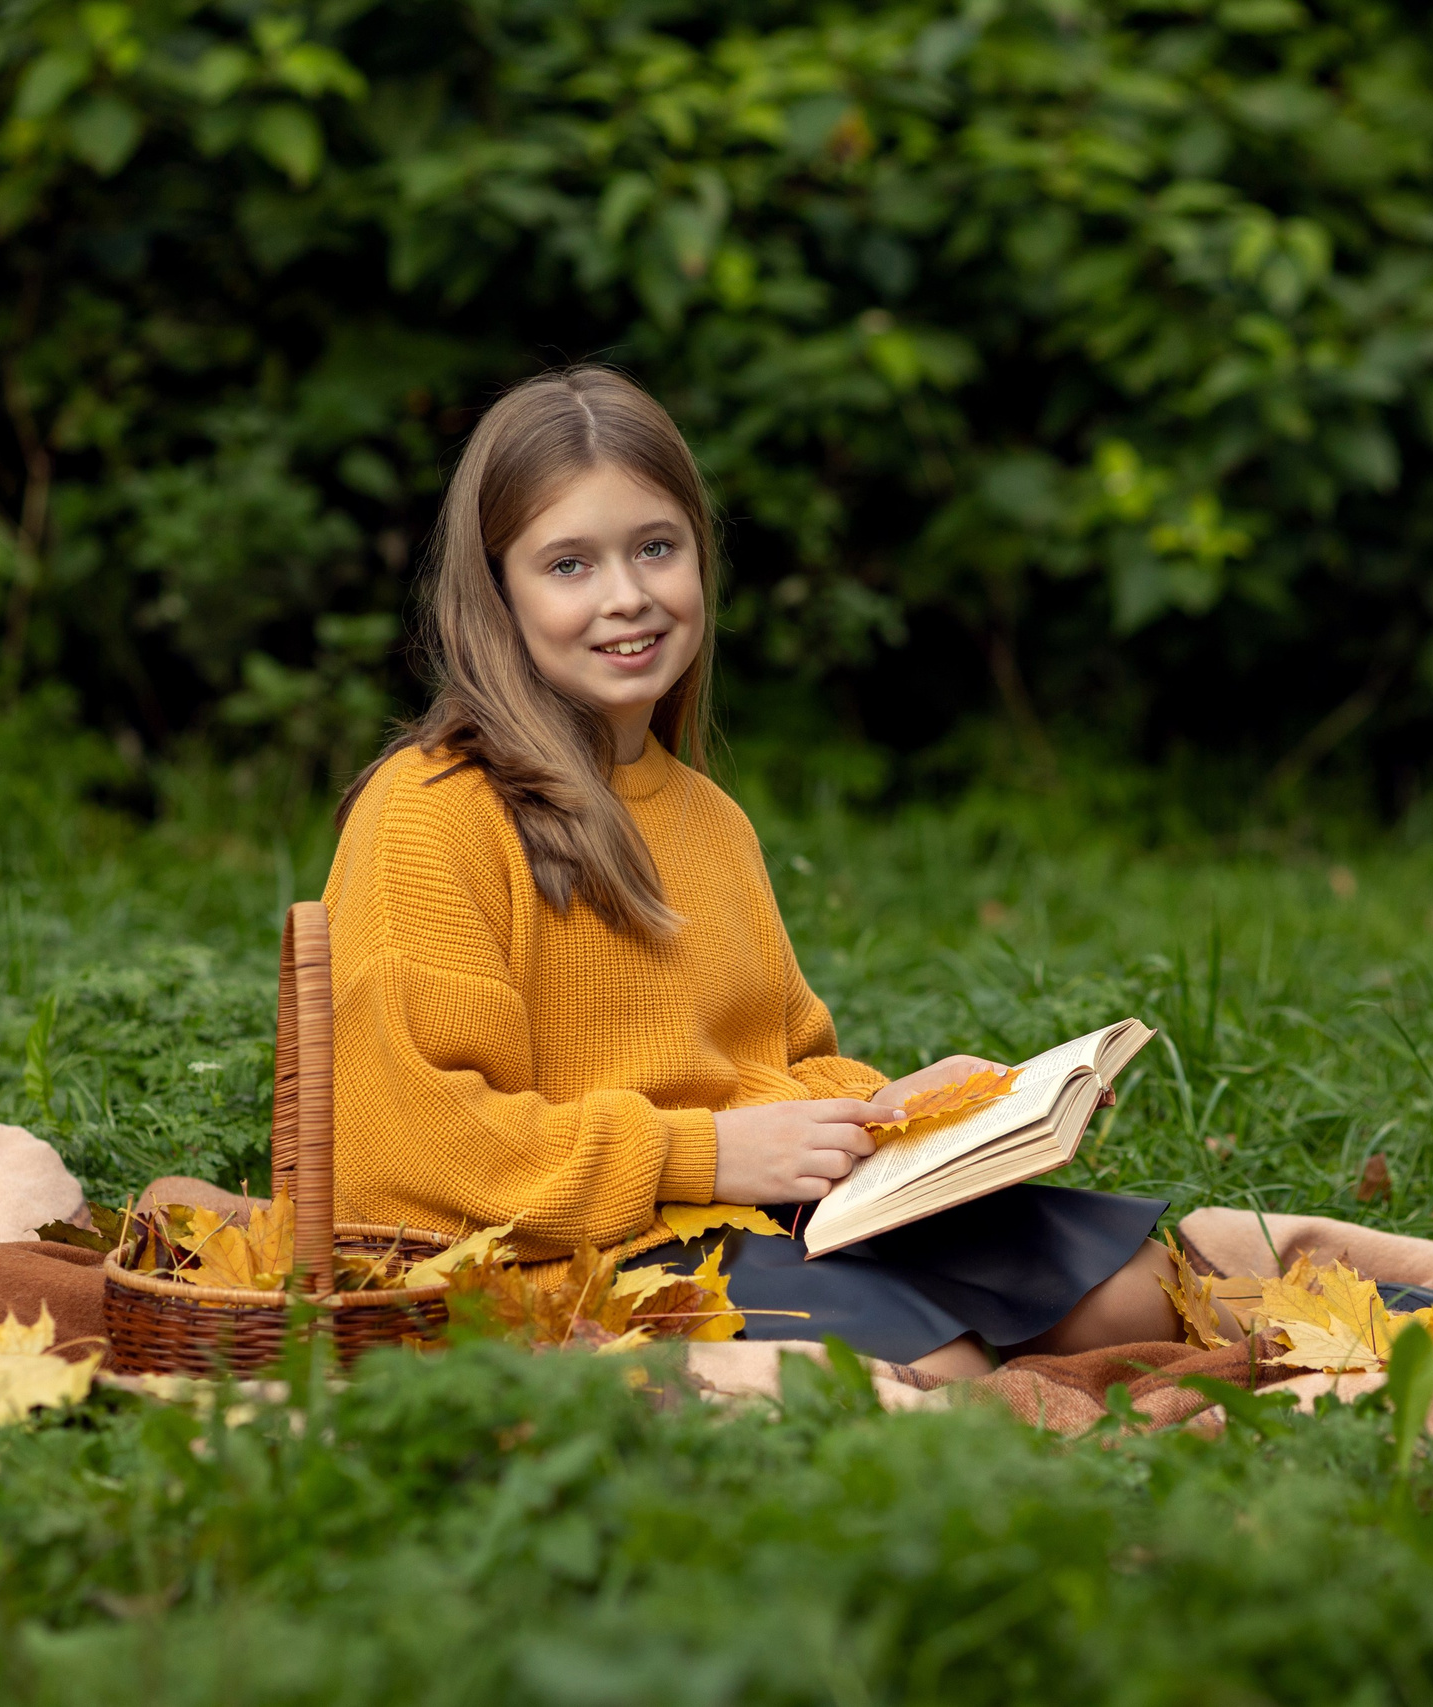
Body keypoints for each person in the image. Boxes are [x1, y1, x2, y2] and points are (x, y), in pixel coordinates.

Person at [323, 367, 1184, 1378]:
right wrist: (704, 1156)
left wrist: (901, 1112)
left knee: (1139, 1298)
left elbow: (772, 1062)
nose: (627, 597)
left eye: (655, 548)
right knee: (933, 1374)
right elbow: (407, 1145)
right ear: (496, 590)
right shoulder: (433, 811)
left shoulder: (706, 818)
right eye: (568, 565)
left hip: (760, 1206)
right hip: (575, 1249)